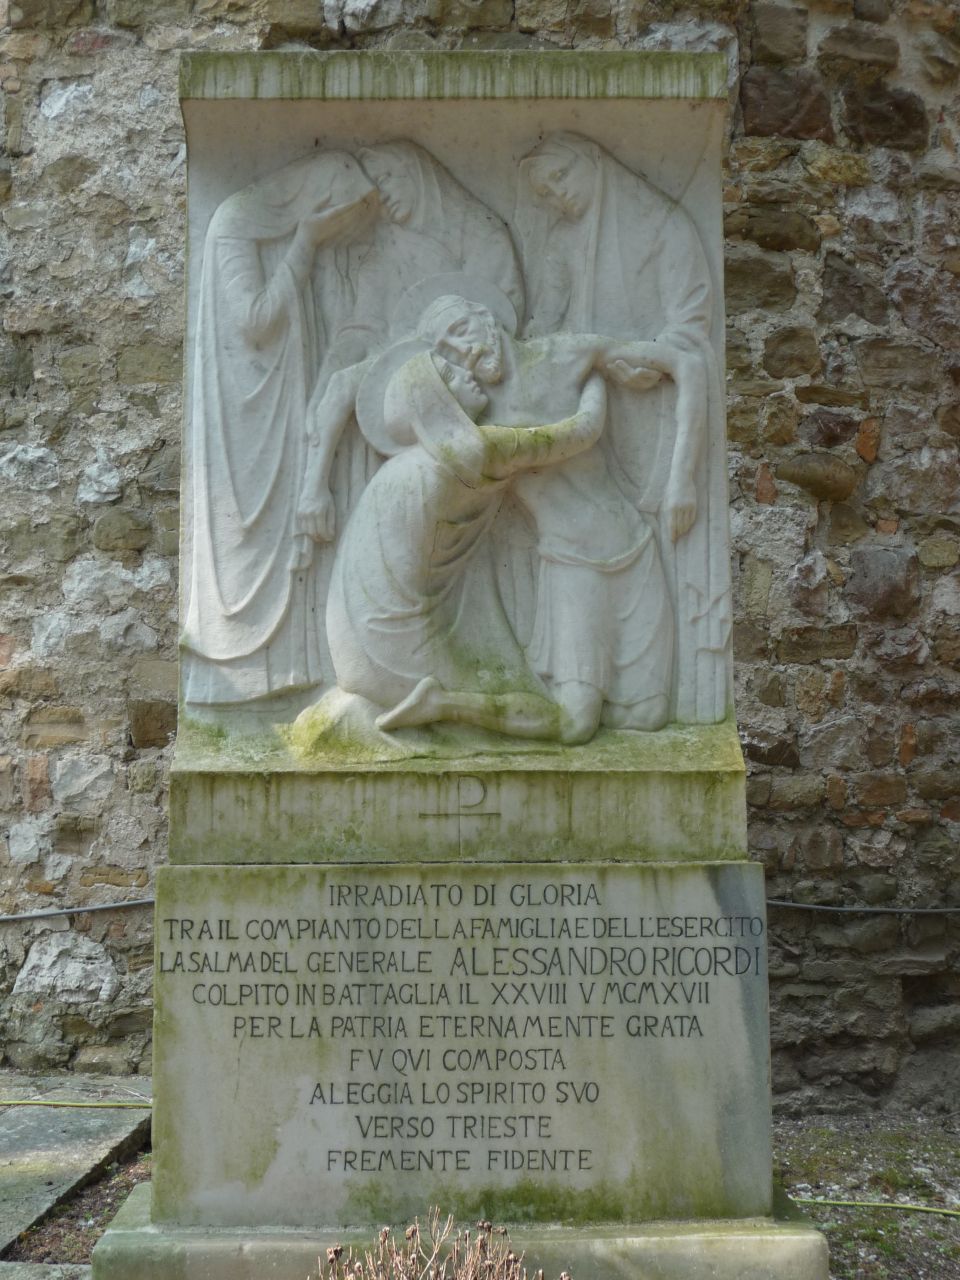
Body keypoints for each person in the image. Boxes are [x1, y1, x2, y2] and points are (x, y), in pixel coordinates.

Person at [515, 132, 732, 725]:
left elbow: (692, 346)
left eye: (560, 179)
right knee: (577, 541)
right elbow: (543, 327)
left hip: (655, 427)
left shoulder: (665, 229)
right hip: (582, 424)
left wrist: (683, 476)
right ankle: (584, 688)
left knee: (652, 558)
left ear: (592, 163)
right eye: (545, 191)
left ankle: (644, 697)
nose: (557, 197)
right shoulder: (560, 239)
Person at [325, 333, 608, 741]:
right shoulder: (478, 455)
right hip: (396, 650)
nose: (465, 371)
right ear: (435, 398)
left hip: (354, 649)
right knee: (570, 723)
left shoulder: (406, 467)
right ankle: (440, 702)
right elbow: (582, 432)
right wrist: (595, 372)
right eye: (448, 373)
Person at [180, 152, 379, 712]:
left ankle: (292, 670)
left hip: (291, 400)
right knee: (249, 536)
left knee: (295, 530)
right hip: (248, 414)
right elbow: (255, 320)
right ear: (312, 197)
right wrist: (306, 242)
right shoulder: (234, 224)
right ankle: (234, 682)